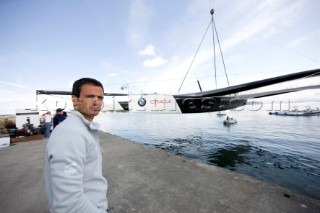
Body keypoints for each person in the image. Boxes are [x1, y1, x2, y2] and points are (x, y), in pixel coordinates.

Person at [45, 78, 109, 212]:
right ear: (75, 100)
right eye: (90, 96)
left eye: (100, 97)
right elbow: (69, 203)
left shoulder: (80, 129)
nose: (96, 101)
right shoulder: (71, 134)